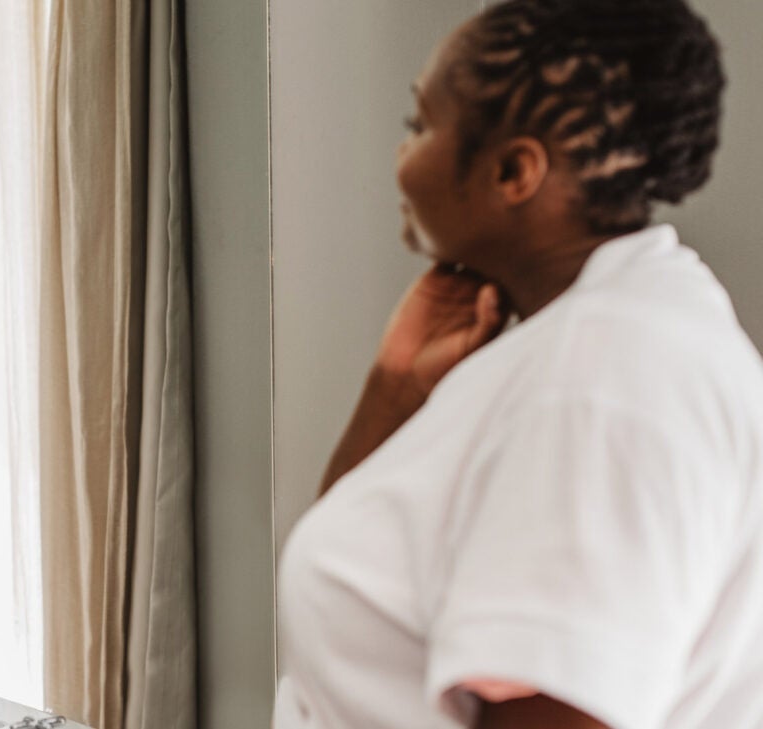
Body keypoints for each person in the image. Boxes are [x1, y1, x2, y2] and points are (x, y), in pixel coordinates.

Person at [274, 1, 763, 728]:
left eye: (419, 126)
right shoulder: (606, 335)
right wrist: (396, 388)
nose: (402, 157)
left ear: (513, 170)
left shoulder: (603, 378)